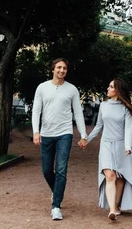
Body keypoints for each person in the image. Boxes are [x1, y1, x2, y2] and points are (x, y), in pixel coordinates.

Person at [32, 58, 88, 221]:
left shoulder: (72, 89)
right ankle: (56, 192)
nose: (62, 70)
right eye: (59, 67)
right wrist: (36, 132)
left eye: (64, 68)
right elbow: (36, 111)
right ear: (53, 69)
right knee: (46, 170)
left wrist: (83, 135)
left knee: (61, 169)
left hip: (65, 133)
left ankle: (56, 206)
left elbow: (78, 113)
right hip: (47, 134)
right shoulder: (42, 87)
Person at [83, 77, 132, 220]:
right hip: (105, 144)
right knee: (110, 176)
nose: (108, 88)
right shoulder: (103, 106)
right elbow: (99, 126)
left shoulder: (125, 108)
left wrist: (128, 147)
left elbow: (128, 129)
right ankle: (112, 210)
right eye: (109, 86)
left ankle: (117, 206)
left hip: (120, 145)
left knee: (120, 179)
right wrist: (87, 139)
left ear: (118, 90)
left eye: (111, 86)